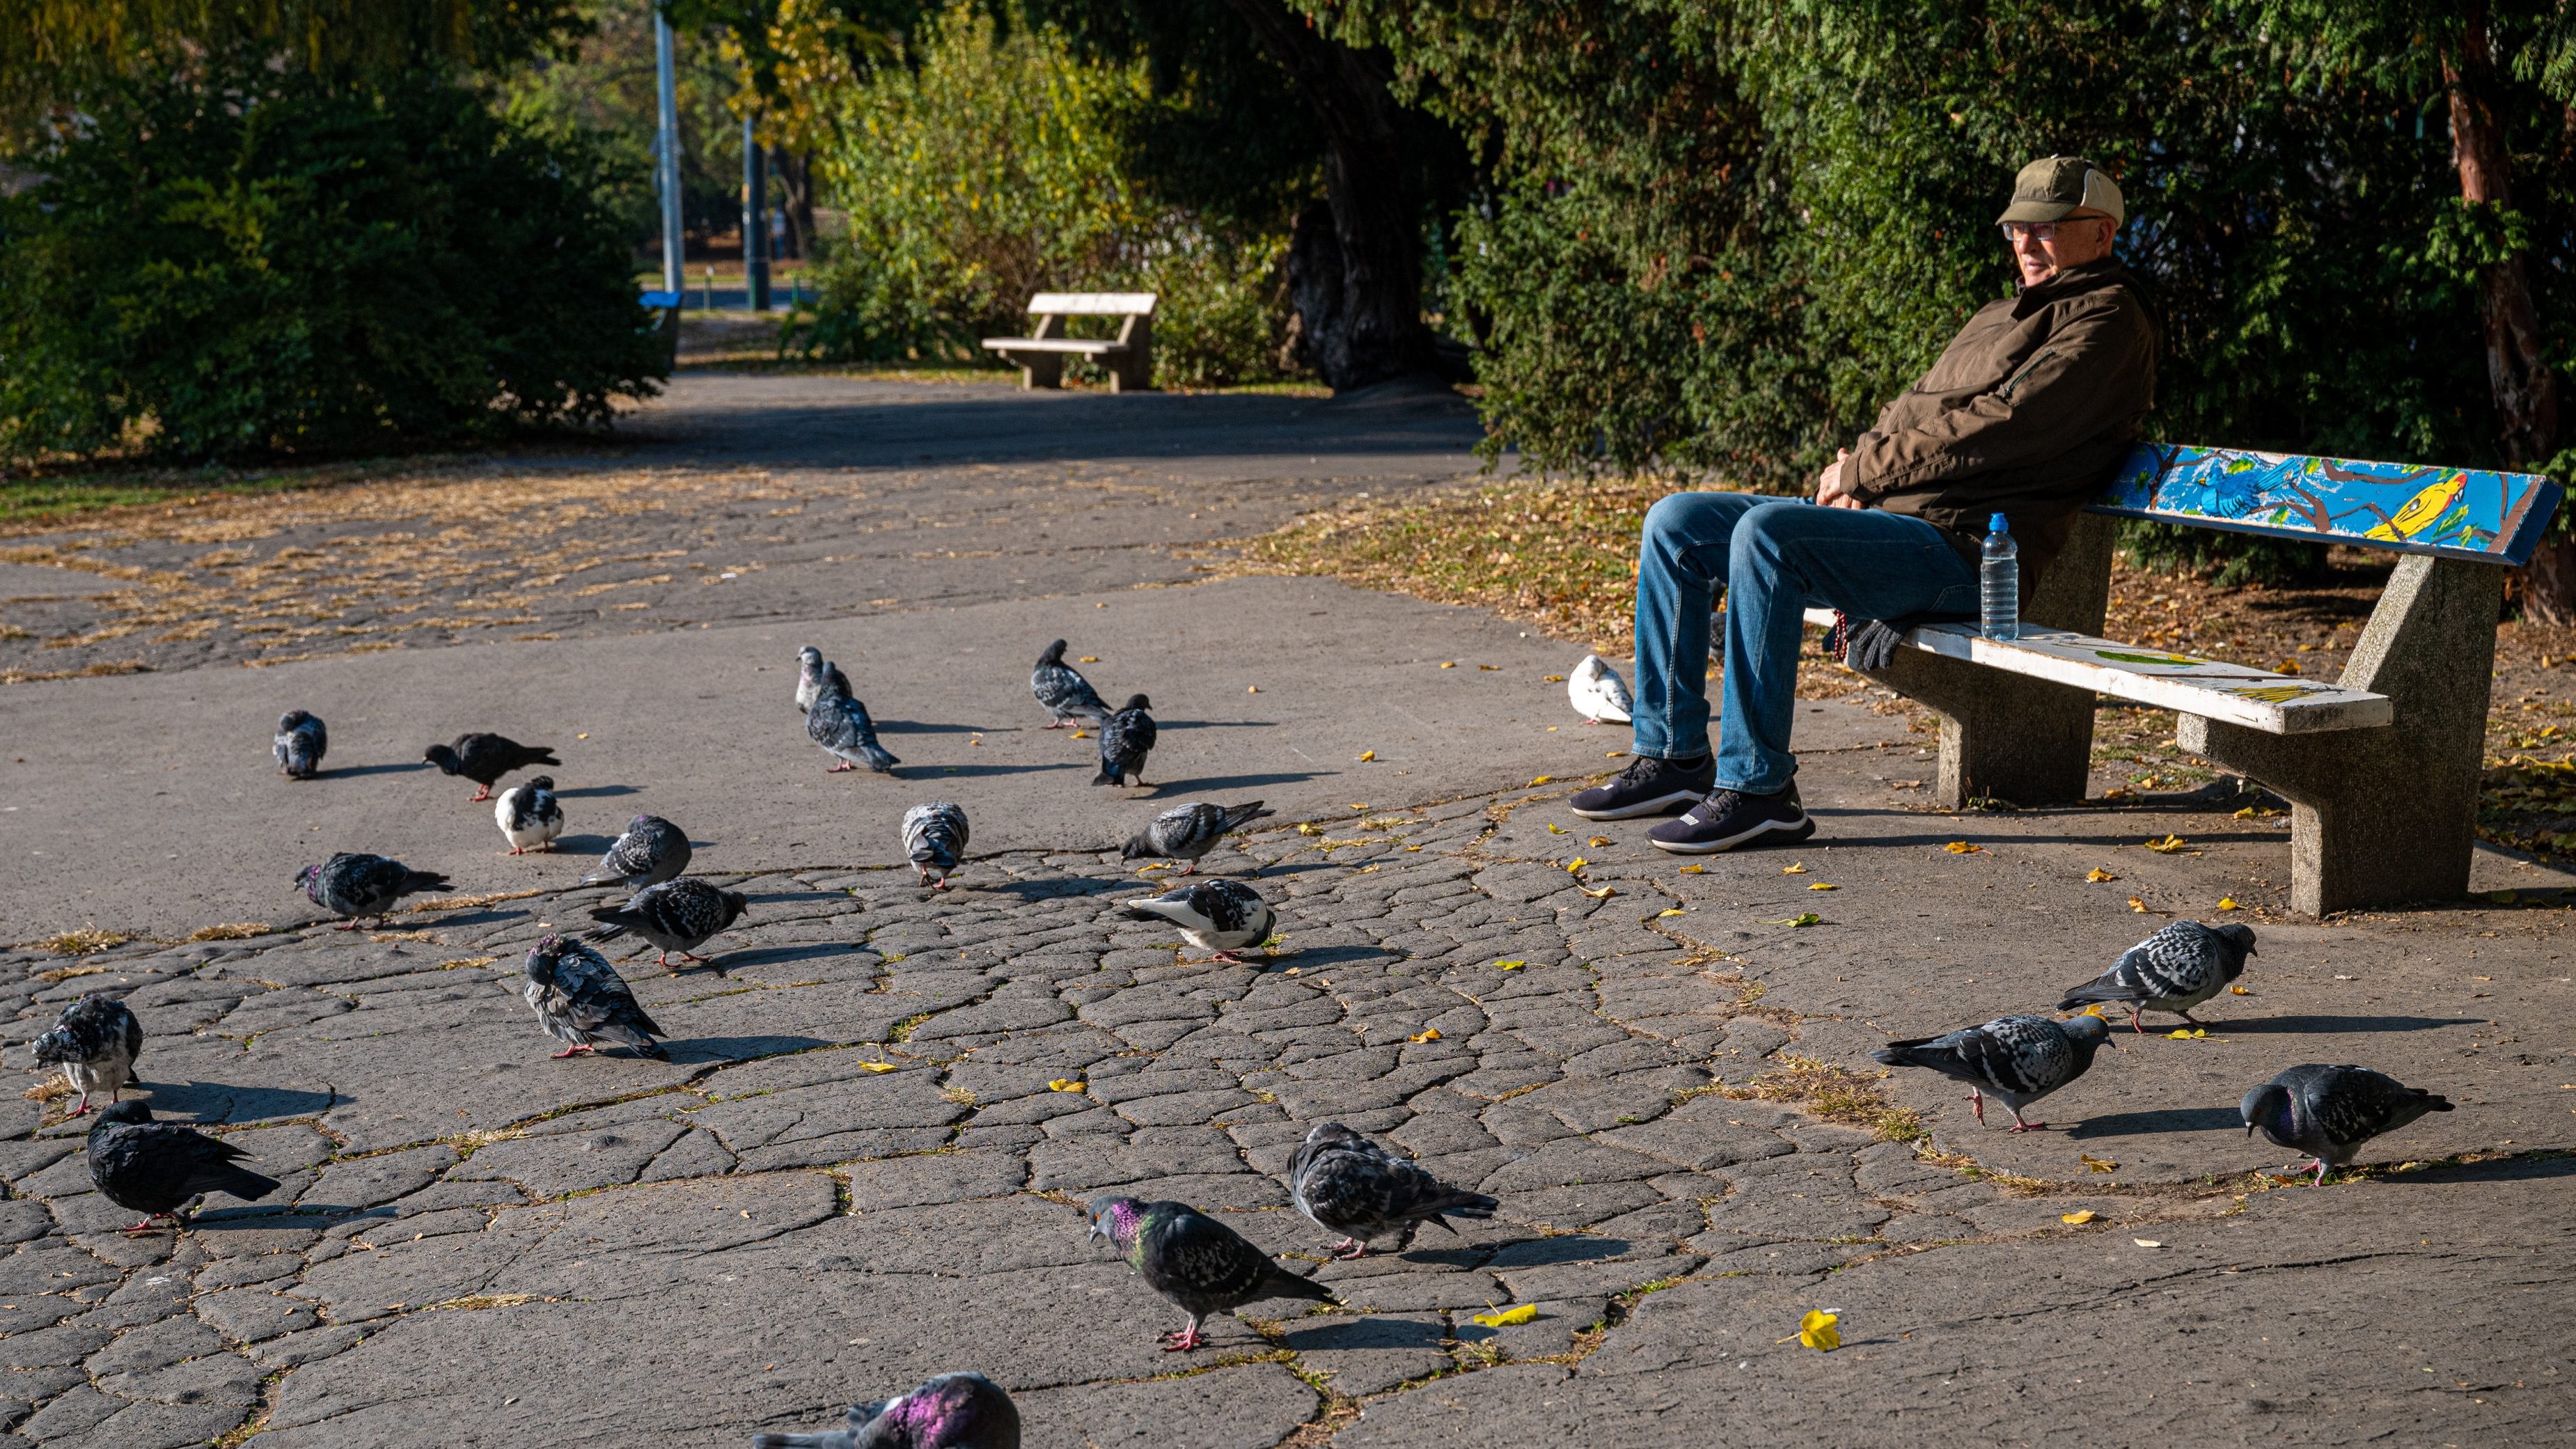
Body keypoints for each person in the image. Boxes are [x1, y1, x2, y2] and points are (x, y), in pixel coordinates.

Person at [1570, 155, 2159, 852]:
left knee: (1767, 535)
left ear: (2102, 233)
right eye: (2016, 230)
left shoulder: (2109, 322)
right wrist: (1854, 471)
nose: (2026, 245)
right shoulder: (1995, 317)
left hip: (1966, 551)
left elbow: (2003, 427)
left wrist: (1869, 473)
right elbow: (1907, 408)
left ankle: (1760, 789)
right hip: (1893, 524)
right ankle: (1673, 755)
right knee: (1677, 521)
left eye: (2048, 229)